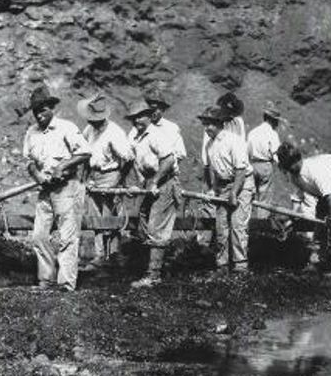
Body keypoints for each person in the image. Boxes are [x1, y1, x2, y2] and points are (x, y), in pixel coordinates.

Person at [23, 84, 91, 291]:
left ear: (52, 108)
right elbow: (29, 161)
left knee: (67, 237)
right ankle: (46, 280)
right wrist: (38, 175)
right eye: (36, 111)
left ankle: (66, 284)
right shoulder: (31, 132)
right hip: (45, 189)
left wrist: (62, 165)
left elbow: (85, 153)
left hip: (67, 188)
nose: (39, 115)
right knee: (39, 236)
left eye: (43, 109)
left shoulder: (66, 128)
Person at [124, 94, 187, 288]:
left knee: (156, 226)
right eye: (133, 118)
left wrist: (155, 182)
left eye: (140, 117)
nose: (136, 121)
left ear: (148, 116)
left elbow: (168, 160)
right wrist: (136, 184)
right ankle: (157, 264)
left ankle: (154, 275)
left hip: (166, 182)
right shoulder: (136, 137)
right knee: (142, 221)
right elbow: (135, 163)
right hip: (151, 181)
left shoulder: (156, 135)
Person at [277, 143, 331, 278]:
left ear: (297, 160)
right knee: (319, 229)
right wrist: (292, 216)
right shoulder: (294, 175)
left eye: (289, 165)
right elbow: (301, 192)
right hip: (323, 195)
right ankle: (316, 261)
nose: (288, 169)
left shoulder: (315, 172)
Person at [78, 93, 133, 271]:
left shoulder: (114, 132)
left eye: (94, 119)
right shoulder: (89, 130)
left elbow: (129, 158)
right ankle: (100, 254)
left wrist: (119, 179)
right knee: (95, 217)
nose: (91, 122)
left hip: (110, 174)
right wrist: (85, 177)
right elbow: (85, 154)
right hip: (94, 175)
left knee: (110, 215)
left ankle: (115, 254)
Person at [200, 106, 255, 273]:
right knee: (221, 226)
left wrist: (234, 193)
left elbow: (241, 169)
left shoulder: (234, 140)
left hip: (242, 184)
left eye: (210, 124)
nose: (207, 128)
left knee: (238, 225)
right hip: (223, 185)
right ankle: (222, 265)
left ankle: (240, 266)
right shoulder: (210, 144)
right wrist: (213, 189)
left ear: (219, 124)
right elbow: (213, 169)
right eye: (205, 124)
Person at [247, 103, 282, 216]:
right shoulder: (272, 134)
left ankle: (247, 223)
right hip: (266, 165)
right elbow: (275, 153)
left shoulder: (252, 132)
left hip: (252, 164)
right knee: (264, 197)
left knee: (250, 195)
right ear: (272, 120)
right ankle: (261, 225)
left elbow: (247, 151)